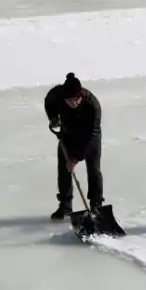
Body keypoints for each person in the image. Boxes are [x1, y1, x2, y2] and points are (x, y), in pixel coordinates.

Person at [44, 72, 103, 220]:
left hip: (90, 136)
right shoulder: (57, 95)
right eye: (70, 100)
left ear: (81, 95)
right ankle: (65, 206)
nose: (74, 103)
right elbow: (49, 102)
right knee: (64, 170)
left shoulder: (92, 105)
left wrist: (76, 159)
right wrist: (53, 118)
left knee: (94, 169)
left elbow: (92, 134)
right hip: (68, 133)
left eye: (77, 99)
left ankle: (96, 205)